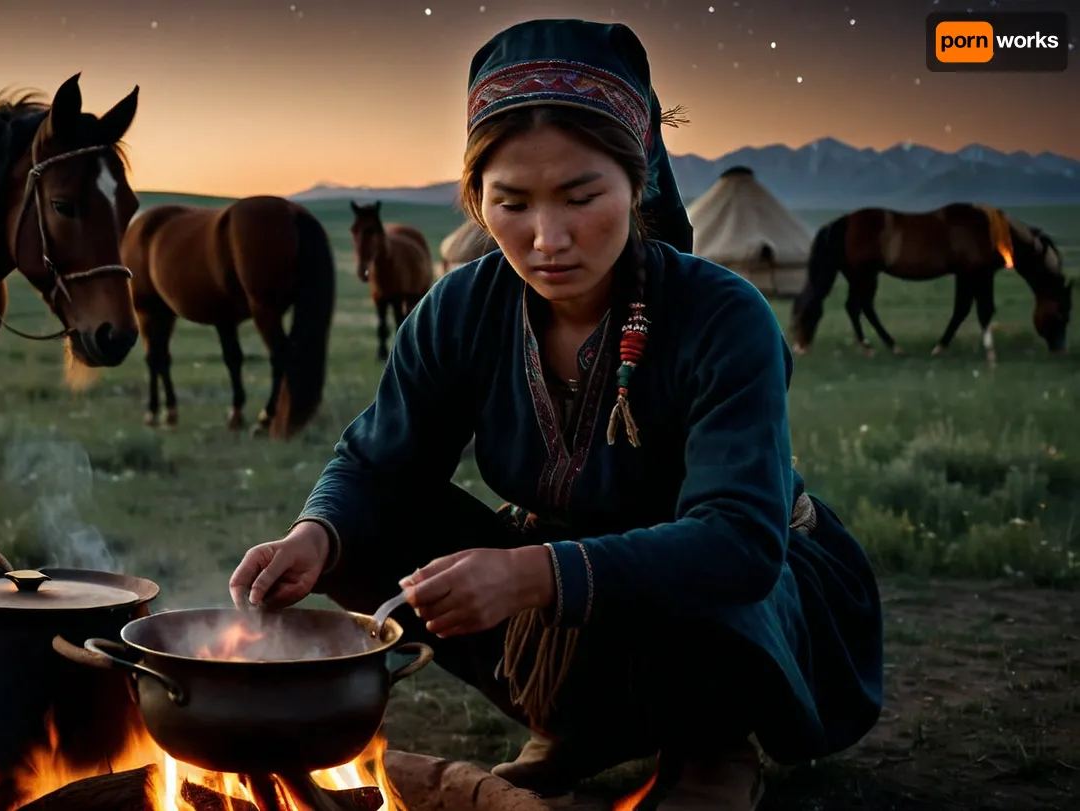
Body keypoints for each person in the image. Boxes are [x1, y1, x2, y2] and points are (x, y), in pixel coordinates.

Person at [229, 18, 884, 811]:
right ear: (477, 200)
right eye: (511, 203)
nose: (548, 239)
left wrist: (528, 572)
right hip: (569, 586)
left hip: (735, 598)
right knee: (363, 521)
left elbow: (741, 542)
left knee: (713, 555)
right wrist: (316, 535)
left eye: (582, 197)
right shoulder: (461, 309)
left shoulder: (723, 316)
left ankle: (711, 742)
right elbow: (377, 463)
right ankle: (575, 722)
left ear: (636, 183)